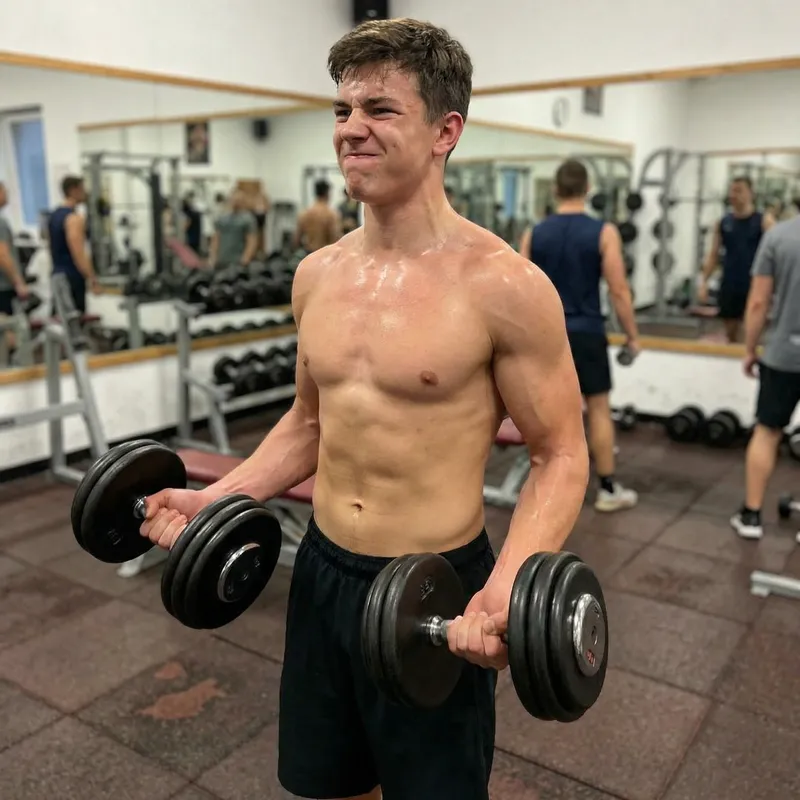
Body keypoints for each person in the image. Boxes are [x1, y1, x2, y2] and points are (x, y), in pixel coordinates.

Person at [138, 18, 589, 800]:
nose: (352, 130)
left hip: (436, 586)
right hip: (322, 571)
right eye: (343, 111)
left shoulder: (504, 285)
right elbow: (308, 425)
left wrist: (507, 584)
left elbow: (560, 453)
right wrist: (214, 500)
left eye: (380, 110)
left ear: (447, 130)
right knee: (325, 784)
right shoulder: (317, 274)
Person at [519, 159, 639, 513]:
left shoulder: (534, 233)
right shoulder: (604, 232)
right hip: (587, 333)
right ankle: (607, 489)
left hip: (546, 335)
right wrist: (632, 335)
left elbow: (523, 290)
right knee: (599, 409)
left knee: (546, 412)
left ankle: (546, 490)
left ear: (555, 190)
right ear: (587, 190)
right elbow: (618, 289)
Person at [731, 214, 800, 542]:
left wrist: (749, 348)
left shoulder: (778, 236)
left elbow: (758, 301)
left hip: (782, 355)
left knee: (768, 432)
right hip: (783, 355)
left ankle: (752, 515)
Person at [699, 176, 775, 343]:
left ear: (750, 193)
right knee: (731, 335)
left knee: (752, 333)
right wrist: (703, 281)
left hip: (755, 284)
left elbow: (776, 253)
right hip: (730, 283)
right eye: (732, 190)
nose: (734, 194)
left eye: (739, 190)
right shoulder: (723, 222)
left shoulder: (764, 221)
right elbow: (713, 254)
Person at [48, 176, 98, 313]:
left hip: (57, 276)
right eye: (82, 189)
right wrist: (92, 277)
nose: (85, 192)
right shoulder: (74, 218)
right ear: (73, 190)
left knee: (61, 320)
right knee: (74, 323)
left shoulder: (54, 215)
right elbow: (78, 252)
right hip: (71, 277)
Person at [208, 189, 258, 268]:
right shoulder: (221, 218)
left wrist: (246, 259)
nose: (235, 202)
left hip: (238, 262)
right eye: (233, 199)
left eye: (238, 200)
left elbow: (251, 241)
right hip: (222, 261)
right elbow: (216, 239)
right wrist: (213, 257)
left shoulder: (248, 219)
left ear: (242, 201)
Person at [293, 179, 342, 252]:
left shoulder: (304, 214)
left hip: (309, 255)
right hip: (325, 255)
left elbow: (296, 241)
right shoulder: (331, 214)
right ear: (327, 193)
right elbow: (336, 239)